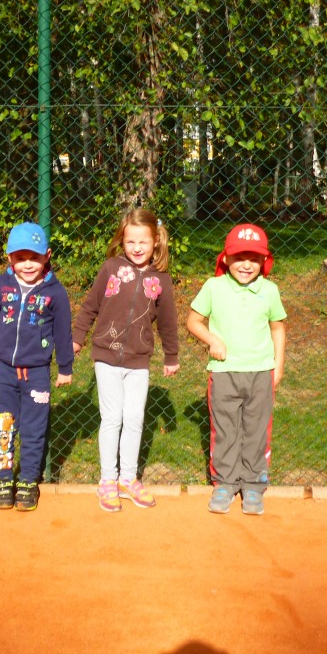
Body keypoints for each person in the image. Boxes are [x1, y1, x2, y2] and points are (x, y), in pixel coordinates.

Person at [72, 208, 180, 512]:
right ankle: (107, 480)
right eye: (130, 241)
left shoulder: (161, 279)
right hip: (106, 356)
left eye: (143, 242)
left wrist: (171, 355)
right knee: (112, 418)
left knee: (134, 418)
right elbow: (90, 306)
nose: (137, 248)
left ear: (156, 241)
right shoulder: (111, 268)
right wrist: (77, 338)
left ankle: (128, 479)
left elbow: (168, 322)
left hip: (138, 360)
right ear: (122, 241)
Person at [186, 224, 287, 516]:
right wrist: (213, 340)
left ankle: (254, 484)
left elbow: (278, 327)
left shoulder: (269, 290)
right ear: (226, 258)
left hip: (260, 372)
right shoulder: (214, 287)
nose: (246, 264)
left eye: (254, 258)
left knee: (256, 430)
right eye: (239, 257)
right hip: (224, 373)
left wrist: (278, 364)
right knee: (225, 430)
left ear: (264, 261)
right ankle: (225, 483)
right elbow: (193, 321)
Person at [0, 222, 74, 512]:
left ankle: (28, 480)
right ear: (9, 257)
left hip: (36, 373)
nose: (27, 264)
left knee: (34, 429)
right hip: (4, 371)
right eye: (20, 258)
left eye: (34, 257)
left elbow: (63, 332)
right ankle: (3, 480)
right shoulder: (1, 286)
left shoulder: (55, 292)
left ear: (47, 255)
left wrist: (65, 367)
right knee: (5, 426)